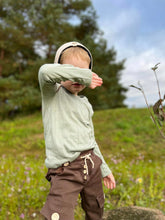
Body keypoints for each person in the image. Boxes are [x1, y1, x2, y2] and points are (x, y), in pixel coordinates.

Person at [38, 41, 116, 220]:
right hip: (66, 171)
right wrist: (82, 75)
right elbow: (44, 71)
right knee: (58, 214)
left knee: (96, 207)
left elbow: (91, 139)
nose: (78, 79)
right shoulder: (53, 94)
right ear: (61, 70)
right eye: (73, 72)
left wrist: (104, 168)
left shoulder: (85, 104)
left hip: (91, 164)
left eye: (84, 72)